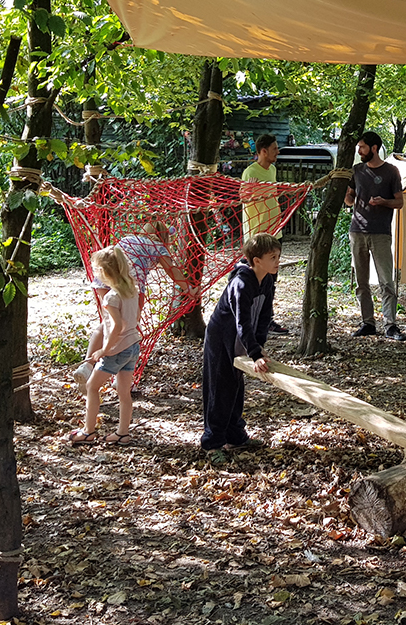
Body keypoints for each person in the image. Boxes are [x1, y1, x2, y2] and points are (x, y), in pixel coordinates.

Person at [74, 220, 191, 389]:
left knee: (107, 322)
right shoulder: (159, 247)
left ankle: (86, 366)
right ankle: (121, 377)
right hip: (131, 280)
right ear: (164, 236)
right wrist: (189, 289)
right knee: (130, 324)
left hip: (104, 275)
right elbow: (172, 270)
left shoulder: (130, 238)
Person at [201, 233, 282, 452]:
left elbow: (265, 317)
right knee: (220, 389)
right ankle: (212, 443)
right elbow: (242, 322)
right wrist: (254, 353)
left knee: (236, 388)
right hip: (221, 339)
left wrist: (260, 346)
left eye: (278, 256)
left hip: (240, 340)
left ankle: (235, 436)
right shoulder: (241, 284)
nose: (278, 261)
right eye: (272, 257)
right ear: (257, 260)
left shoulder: (267, 280)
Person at [68, 246, 141, 445]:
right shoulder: (132, 289)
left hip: (117, 350)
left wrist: (103, 350)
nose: (96, 274)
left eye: (98, 270)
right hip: (133, 345)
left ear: (106, 272)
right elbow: (136, 316)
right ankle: (122, 433)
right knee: (124, 392)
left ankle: (88, 431)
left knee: (91, 387)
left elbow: (118, 326)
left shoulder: (111, 297)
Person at [345, 130, 404, 340]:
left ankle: (390, 325)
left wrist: (383, 202)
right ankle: (367, 323)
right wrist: (344, 193)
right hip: (357, 232)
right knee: (361, 283)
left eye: (362, 147)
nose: (359, 151)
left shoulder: (391, 171)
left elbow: (400, 202)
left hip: (380, 233)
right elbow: (349, 199)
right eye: (358, 147)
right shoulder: (356, 170)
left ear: (374, 148)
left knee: (386, 281)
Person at [240, 135, 289, 334]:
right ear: (263, 151)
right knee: (253, 280)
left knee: (271, 280)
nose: (278, 151)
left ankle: (267, 319)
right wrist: (250, 189)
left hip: (274, 233)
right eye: (274, 148)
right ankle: (248, 319)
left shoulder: (273, 170)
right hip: (257, 236)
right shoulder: (250, 171)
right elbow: (242, 197)